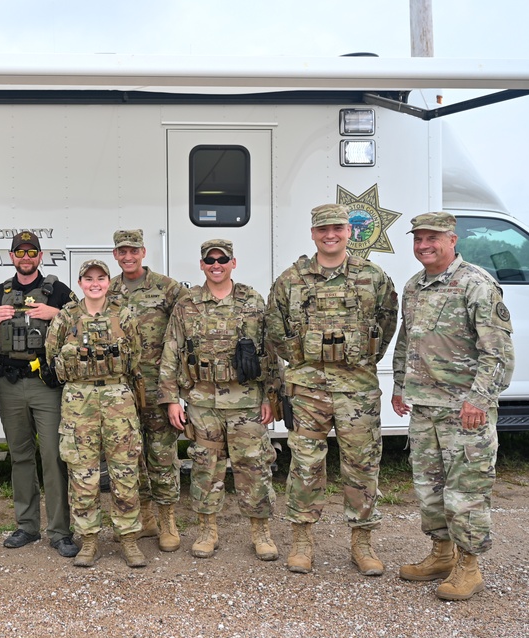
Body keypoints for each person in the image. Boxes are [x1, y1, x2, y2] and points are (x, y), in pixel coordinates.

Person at [265, 203, 398, 575]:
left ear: (348, 231)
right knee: (306, 464)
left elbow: (387, 321)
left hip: (357, 388)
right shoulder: (292, 279)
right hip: (308, 388)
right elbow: (274, 326)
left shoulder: (373, 276)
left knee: (362, 464)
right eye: (322, 229)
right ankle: (302, 540)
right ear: (312, 234)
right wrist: (299, 360)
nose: (330, 235)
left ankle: (362, 542)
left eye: (337, 228)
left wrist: (364, 358)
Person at [391, 212, 514, 601]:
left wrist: (479, 399)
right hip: (425, 406)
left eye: (433, 239)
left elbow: (497, 351)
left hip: (464, 410)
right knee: (429, 490)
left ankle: (469, 567)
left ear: (452, 240)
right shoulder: (415, 287)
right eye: (418, 240)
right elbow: (406, 343)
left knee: (466, 491)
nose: (424, 246)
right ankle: (441, 554)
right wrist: (399, 386)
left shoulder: (476, 284)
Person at [159, 239, 279, 560]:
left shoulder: (252, 301)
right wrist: (171, 399)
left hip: (246, 401)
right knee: (205, 466)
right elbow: (171, 350)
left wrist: (271, 396)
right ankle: (207, 530)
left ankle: (260, 531)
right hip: (203, 401)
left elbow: (270, 350)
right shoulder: (188, 305)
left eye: (222, 259)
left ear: (233, 263)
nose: (216, 264)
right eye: (209, 260)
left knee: (253, 466)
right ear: (201, 265)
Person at [0, 231, 80, 557]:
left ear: (40, 256)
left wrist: (57, 314)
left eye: (31, 252)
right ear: (12, 257)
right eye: (19, 252)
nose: (25, 257)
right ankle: (26, 526)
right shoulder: (0, 292)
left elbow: (85, 322)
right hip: (9, 384)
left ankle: (60, 532)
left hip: (45, 385)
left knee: (52, 457)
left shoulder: (58, 291)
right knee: (20, 457)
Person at [46, 259, 145, 568]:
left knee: (125, 472)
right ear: (80, 283)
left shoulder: (123, 316)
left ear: (108, 282)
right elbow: (52, 354)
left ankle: (128, 540)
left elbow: (136, 356)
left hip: (117, 397)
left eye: (100, 278)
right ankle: (88, 541)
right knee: (82, 474)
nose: (95, 283)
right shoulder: (66, 317)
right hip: (79, 400)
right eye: (88, 278)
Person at [108, 229, 187, 553]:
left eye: (133, 251)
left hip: (157, 387)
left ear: (143, 252)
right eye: (122, 252)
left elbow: (187, 327)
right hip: (121, 390)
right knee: (131, 456)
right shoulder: (107, 290)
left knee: (162, 455)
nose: (128, 257)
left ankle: (168, 520)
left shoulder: (168, 288)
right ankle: (145, 516)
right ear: (116, 254)